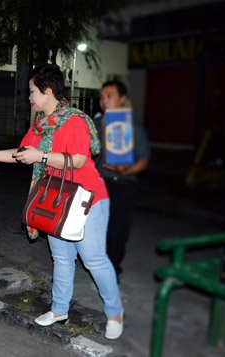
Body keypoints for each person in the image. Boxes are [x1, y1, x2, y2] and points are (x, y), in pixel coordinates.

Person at [0, 64, 124, 340]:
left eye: (33, 92)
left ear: (47, 91)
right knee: (61, 257)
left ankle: (115, 312)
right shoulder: (41, 126)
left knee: (93, 259)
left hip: (86, 198)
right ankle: (59, 310)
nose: (29, 98)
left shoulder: (75, 121)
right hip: (56, 197)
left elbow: (80, 160)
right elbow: (23, 153)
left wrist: (41, 157)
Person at [93, 80, 150, 281]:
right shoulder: (96, 125)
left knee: (118, 231)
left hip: (123, 184)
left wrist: (126, 170)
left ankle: (112, 268)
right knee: (97, 228)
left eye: (109, 96)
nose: (104, 100)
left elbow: (143, 161)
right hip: (99, 183)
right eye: (102, 97)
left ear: (122, 99)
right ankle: (99, 266)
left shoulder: (133, 128)